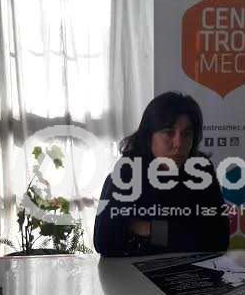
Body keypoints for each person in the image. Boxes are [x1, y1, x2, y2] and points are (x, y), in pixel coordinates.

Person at [93, 92, 229, 256]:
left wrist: (147, 228)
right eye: (169, 133)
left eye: (186, 134)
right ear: (149, 136)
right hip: (135, 269)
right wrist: (186, 230)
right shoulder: (128, 170)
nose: (179, 144)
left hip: (190, 267)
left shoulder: (201, 168)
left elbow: (219, 239)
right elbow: (104, 242)